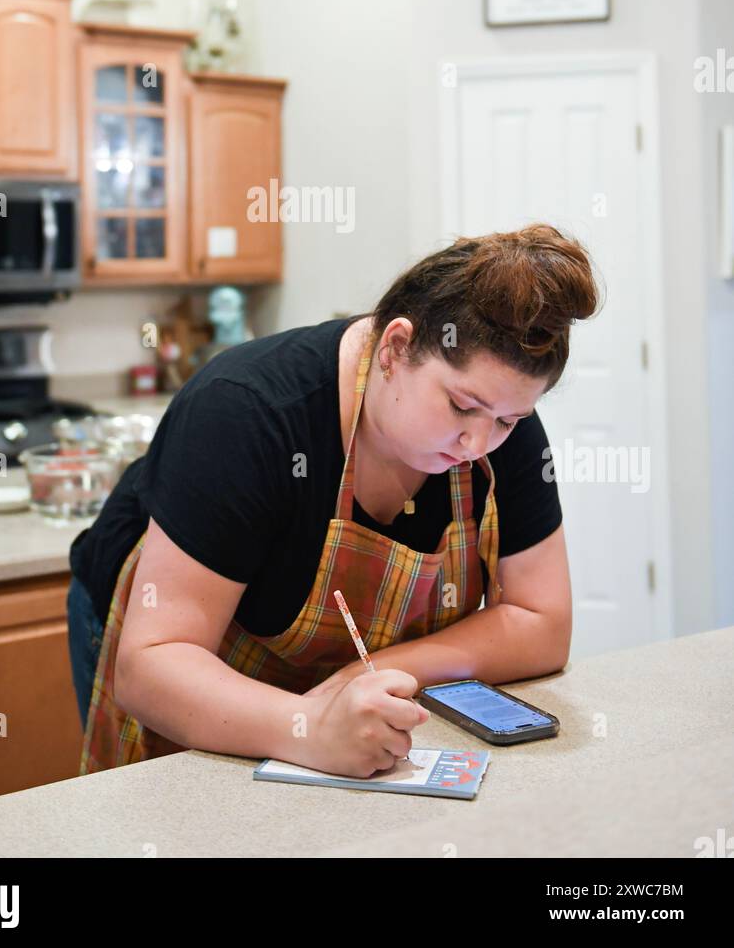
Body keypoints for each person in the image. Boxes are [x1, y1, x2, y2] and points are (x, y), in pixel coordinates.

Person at [66, 223, 599, 779]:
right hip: (180, 644)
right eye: (461, 407)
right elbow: (151, 667)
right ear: (394, 348)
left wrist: (373, 675)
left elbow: (543, 623)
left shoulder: (496, 420)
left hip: (333, 685)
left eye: (508, 421)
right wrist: (310, 727)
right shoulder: (246, 413)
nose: (478, 444)